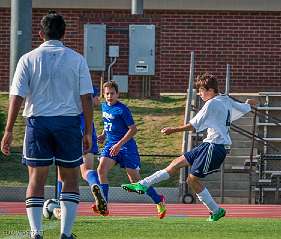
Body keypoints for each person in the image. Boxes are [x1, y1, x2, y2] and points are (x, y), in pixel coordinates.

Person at [0, 11, 94, 239]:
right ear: (64, 33)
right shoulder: (77, 59)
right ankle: (66, 234)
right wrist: (88, 132)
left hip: (37, 123)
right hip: (68, 123)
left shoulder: (27, 59)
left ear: (41, 34)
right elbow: (87, 98)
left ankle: (36, 234)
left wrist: (8, 130)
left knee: (35, 179)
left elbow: (17, 96)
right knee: (70, 179)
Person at [122, 73, 257, 222]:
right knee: (175, 163)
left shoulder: (211, 103)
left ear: (211, 90)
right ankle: (142, 184)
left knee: (192, 180)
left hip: (215, 147)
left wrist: (173, 129)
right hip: (208, 144)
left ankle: (216, 210)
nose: (199, 94)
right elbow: (244, 107)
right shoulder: (225, 98)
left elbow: (193, 126)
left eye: (201, 90)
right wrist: (248, 103)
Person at [97, 81, 166, 218]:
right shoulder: (104, 106)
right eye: (107, 93)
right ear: (103, 95)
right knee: (101, 170)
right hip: (111, 145)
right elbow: (108, 124)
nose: (110, 96)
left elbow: (133, 129)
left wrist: (119, 144)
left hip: (127, 147)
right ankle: (104, 204)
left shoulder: (122, 109)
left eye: (112, 93)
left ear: (117, 94)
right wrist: (103, 135)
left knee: (135, 181)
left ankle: (159, 200)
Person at [54, 86, 108, 219]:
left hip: (69, 127)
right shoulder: (87, 84)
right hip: (88, 129)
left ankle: (61, 208)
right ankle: (94, 184)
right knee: (87, 170)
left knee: (62, 174)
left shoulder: (66, 83)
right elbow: (95, 102)